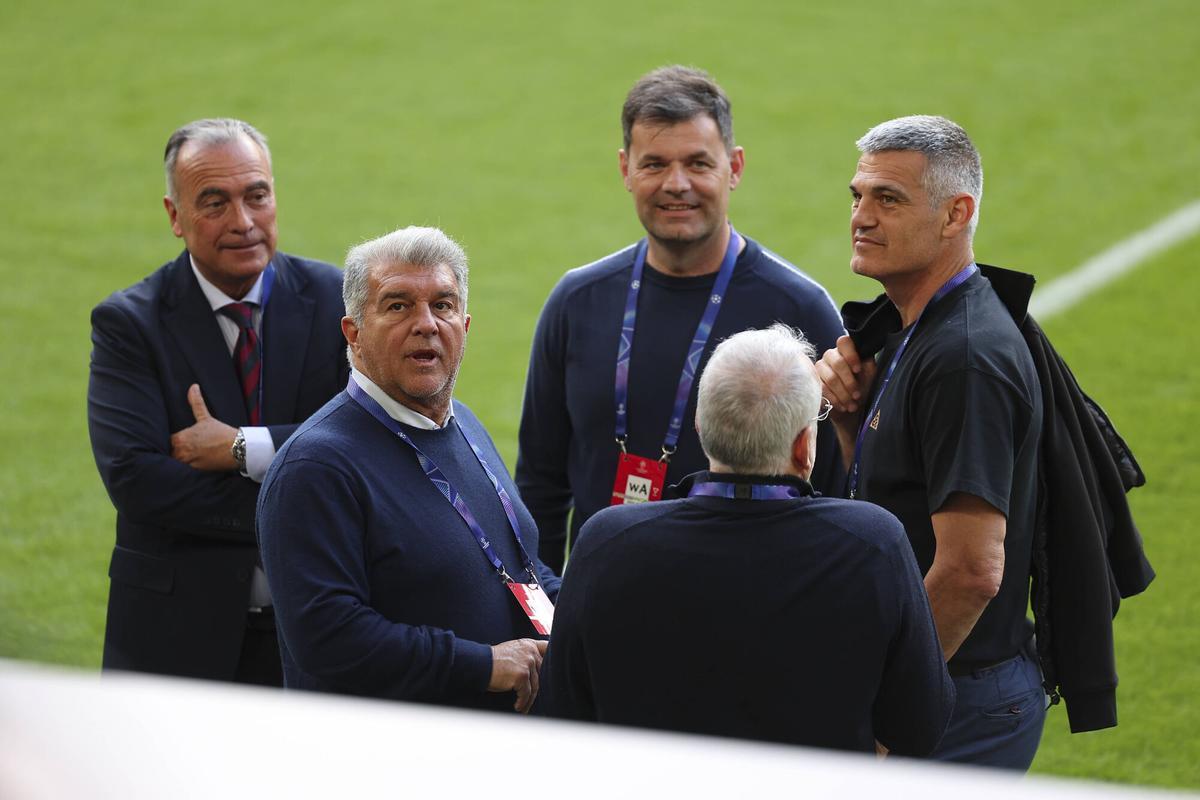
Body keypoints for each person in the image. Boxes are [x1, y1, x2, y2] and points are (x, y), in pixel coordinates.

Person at [539, 324, 954, 755]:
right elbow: (920, 725)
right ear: (803, 447)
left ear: (701, 427)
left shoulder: (606, 544)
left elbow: (561, 718)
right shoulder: (873, 545)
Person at [517, 65, 845, 575]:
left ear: (734, 167)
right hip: (606, 605)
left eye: (698, 163)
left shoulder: (801, 311)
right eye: (655, 164)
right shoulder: (576, 302)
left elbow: (835, 489)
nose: (677, 184)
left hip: (747, 608)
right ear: (625, 169)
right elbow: (540, 483)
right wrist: (545, 612)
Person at [816, 115, 1045, 769]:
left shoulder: (963, 355)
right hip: (946, 681)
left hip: (955, 696)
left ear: (956, 215)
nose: (861, 216)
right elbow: (898, 505)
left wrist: (891, 711)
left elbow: (972, 570)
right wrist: (846, 421)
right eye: (857, 195)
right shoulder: (915, 327)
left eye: (888, 199)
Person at [87, 118, 349, 685]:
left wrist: (239, 448)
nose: (243, 222)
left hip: (314, 636)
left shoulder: (340, 302)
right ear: (174, 216)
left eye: (257, 195)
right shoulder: (129, 325)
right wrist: (299, 505)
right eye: (214, 202)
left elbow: (370, 445)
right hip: (173, 642)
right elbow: (138, 480)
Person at [257, 226, 561, 713]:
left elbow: (518, 562)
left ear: (465, 324)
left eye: (442, 305)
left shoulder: (465, 426)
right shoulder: (315, 467)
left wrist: (580, 625)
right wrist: (482, 665)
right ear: (353, 334)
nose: (426, 324)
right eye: (398, 305)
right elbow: (329, 637)